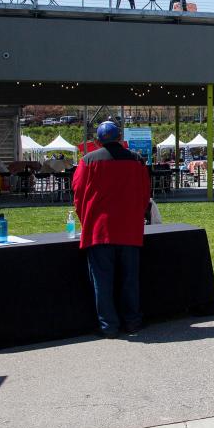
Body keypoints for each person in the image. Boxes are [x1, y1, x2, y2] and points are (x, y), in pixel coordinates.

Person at [73, 121, 151, 338]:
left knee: (102, 281)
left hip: (99, 229)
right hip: (129, 229)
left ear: (97, 141)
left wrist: (85, 220)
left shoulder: (87, 161)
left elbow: (78, 195)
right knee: (129, 279)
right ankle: (133, 321)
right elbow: (145, 195)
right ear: (119, 139)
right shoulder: (136, 161)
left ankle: (109, 326)